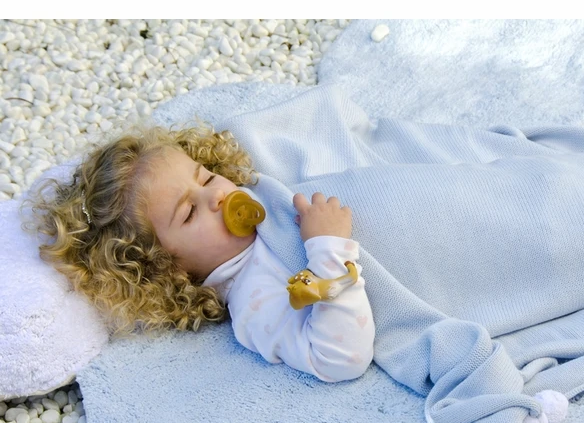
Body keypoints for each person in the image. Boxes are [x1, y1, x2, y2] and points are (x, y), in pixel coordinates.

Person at [21, 118, 376, 384]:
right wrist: (329, 249)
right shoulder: (254, 301)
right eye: (189, 212)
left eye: (205, 177)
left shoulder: (258, 187)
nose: (217, 194)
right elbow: (340, 358)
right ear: (165, 269)